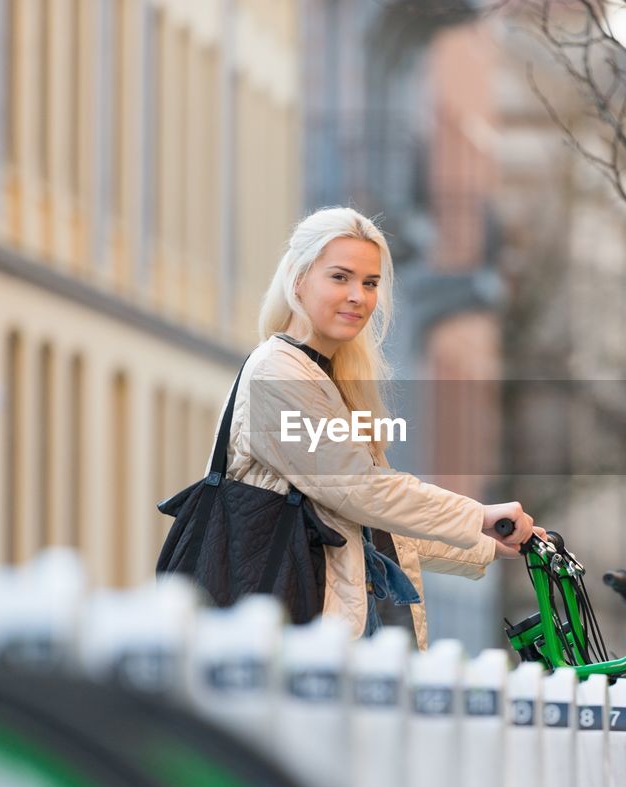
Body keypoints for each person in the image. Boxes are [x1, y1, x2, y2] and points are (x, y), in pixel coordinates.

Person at [217, 207, 539, 648]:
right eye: (340, 277)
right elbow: (360, 489)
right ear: (297, 279)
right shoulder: (279, 374)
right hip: (297, 634)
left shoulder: (329, 380)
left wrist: (484, 541)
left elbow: (370, 520)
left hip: (333, 626)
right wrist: (476, 515)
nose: (358, 296)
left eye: (370, 283)